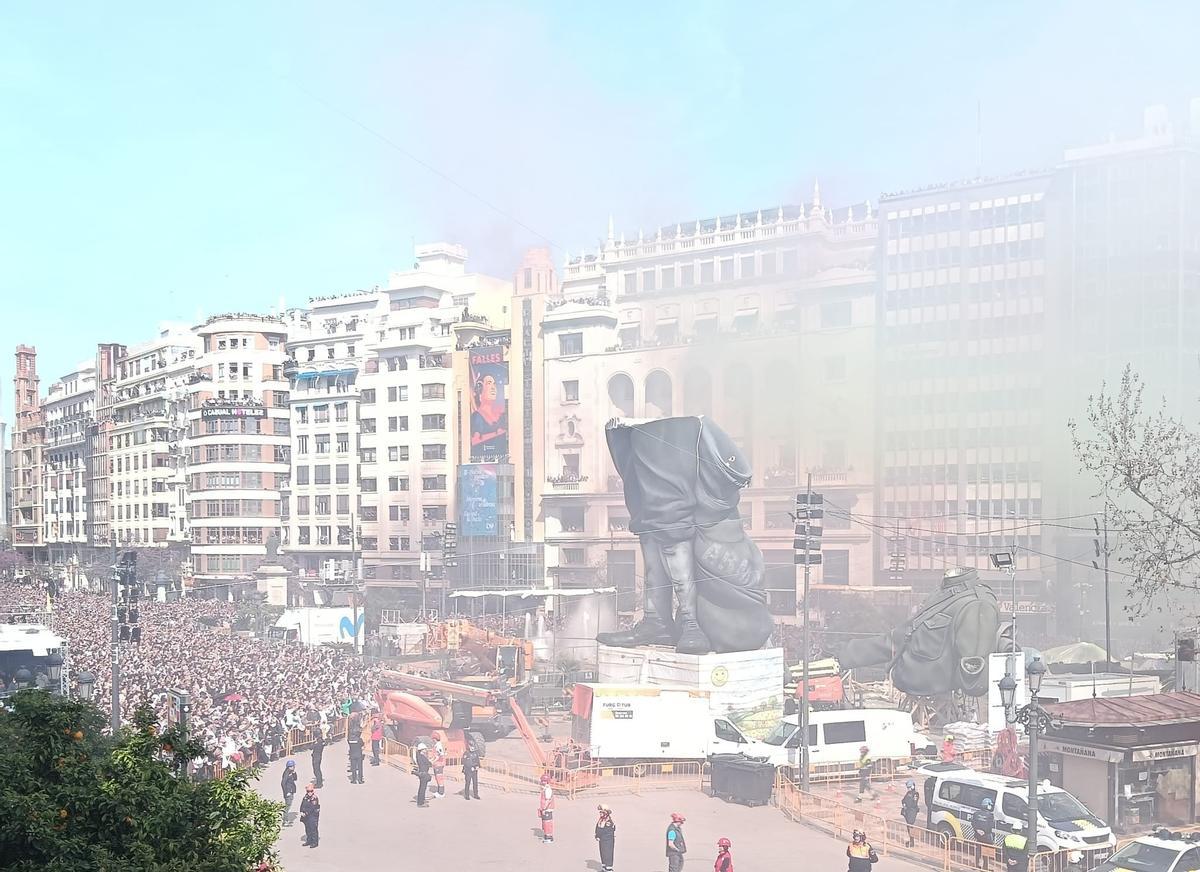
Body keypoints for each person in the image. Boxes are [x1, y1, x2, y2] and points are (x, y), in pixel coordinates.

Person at [595, 804, 616, 872]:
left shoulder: (608, 821)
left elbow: (605, 831)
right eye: (600, 812)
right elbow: (598, 827)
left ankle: (609, 868)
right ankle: (604, 867)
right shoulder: (601, 819)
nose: (600, 813)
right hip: (602, 840)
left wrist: (599, 836)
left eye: (601, 812)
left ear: (605, 813)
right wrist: (597, 835)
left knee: (608, 854)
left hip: (607, 841)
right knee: (603, 853)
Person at [299, 784, 320, 849]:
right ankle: (309, 840)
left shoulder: (314, 798)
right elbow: (302, 805)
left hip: (312, 816)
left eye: (311, 791)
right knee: (308, 829)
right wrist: (301, 811)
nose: (309, 792)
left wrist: (306, 813)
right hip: (306, 817)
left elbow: (312, 808)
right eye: (308, 791)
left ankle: (314, 842)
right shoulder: (305, 797)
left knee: (313, 829)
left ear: (313, 791)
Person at [901, 778, 921, 847]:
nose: (908, 788)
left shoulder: (915, 794)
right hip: (907, 812)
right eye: (907, 787)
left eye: (909, 787)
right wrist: (904, 805)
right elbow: (903, 800)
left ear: (913, 786)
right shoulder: (908, 793)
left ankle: (912, 842)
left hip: (912, 812)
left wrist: (906, 805)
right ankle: (911, 840)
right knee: (908, 826)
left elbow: (914, 804)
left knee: (910, 826)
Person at [538, 773, 555, 844]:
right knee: (545, 822)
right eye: (542, 781)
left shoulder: (548, 790)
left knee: (547, 823)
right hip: (545, 809)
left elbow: (547, 800)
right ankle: (546, 835)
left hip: (547, 809)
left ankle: (549, 837)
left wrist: (544, 809)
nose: (542, 782)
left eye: (544, 781)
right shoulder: (545, 789)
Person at [281, 759, 298, 826]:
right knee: (287, 807)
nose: (294, 767)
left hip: (291, 791)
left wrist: (294, 773)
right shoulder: (286, 773)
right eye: (293, 766)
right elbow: (283, 783)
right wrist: (286, 792)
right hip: (288, 792)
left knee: (288, 806)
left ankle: (286, 820)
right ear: (290, 766)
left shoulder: (291, 772)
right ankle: (285, 821)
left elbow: (295, 779)